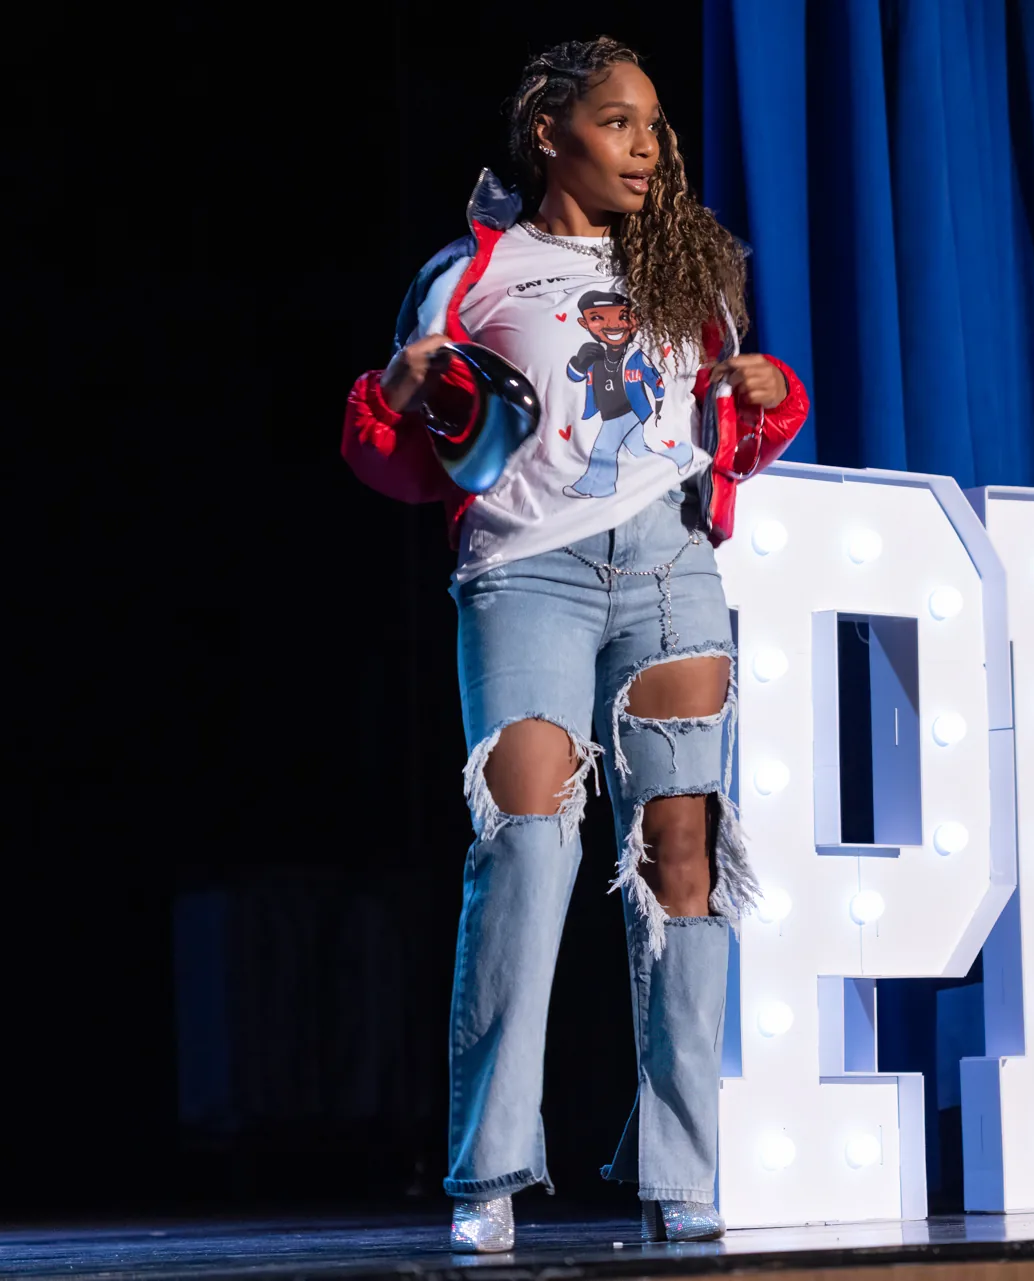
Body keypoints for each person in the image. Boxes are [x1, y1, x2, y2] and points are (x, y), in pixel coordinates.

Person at [338, 36, 808, 1253]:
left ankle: (682, 1170)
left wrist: (767, 399)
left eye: (656, 126)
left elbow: (721, 438)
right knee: (530, 849)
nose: (649, 148)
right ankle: (490, 1174)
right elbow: (396, 450)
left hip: (669, 568)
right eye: (618, 123)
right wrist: (395, 393)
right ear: (548, 133)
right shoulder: (477, 269)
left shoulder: (692, 274)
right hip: (525, 574)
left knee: (682, 863)